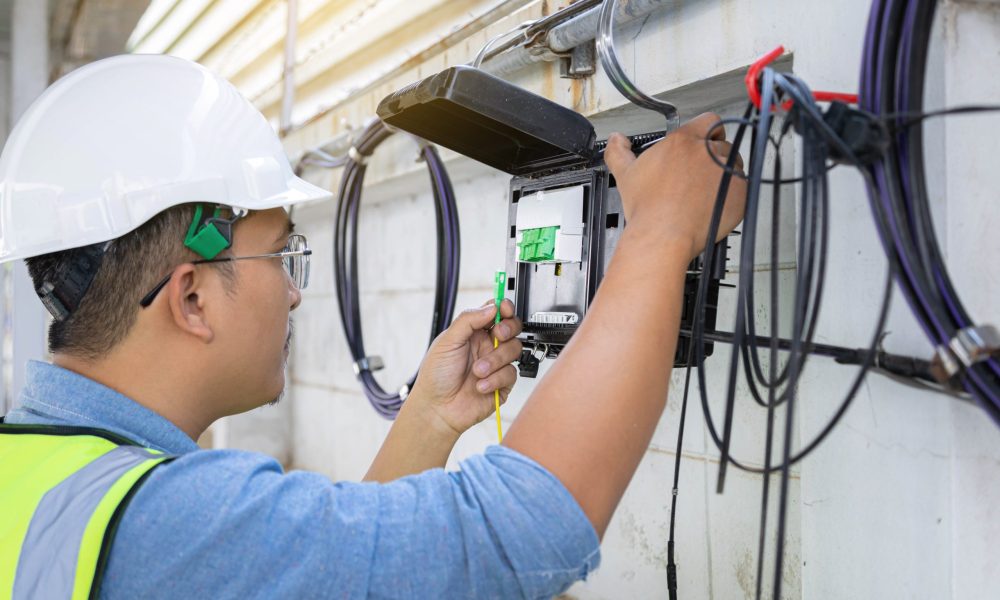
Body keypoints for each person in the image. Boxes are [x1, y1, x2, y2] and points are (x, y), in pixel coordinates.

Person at [0, 55, 744, 598]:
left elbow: (331, 580)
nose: (293, 294)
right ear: (191, 299)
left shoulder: (39, 482)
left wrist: (427, 421)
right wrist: (662, 233)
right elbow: (520, 532)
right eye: (284, 253)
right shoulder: (165, 520)